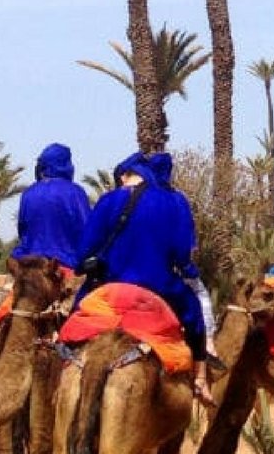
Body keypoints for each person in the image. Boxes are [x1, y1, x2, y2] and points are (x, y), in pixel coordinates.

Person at [76, 152, 215, 404]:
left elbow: (85, 251)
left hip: (111, 286)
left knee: (74, 316)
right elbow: (182, 253)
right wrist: (186, 269)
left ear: (126, 174)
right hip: (159, 286)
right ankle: (200, 379)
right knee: (194, 315)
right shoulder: (175, 202)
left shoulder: (108, 200)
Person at [147, 152, 219, 362]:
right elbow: (185, 242)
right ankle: (208, 347)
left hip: (134, 271)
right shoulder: (177, 200)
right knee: (201, 297)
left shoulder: (135, 198)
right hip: (169, 273)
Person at [11, 143, 91, 271]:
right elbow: (87, 231)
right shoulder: (76, 192)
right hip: (67, 265)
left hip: (32, 265)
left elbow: (23, 230)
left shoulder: (28, 193)